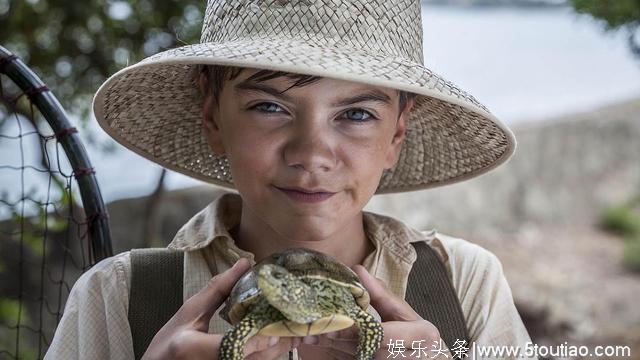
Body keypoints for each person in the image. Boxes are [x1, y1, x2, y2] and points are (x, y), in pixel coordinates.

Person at [45, 0, 534, 359]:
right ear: (214, 118)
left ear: (397, 134)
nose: (312, 155)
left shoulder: (464, 282)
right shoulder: (118, 295)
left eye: (357, 114)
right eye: (269, 106)